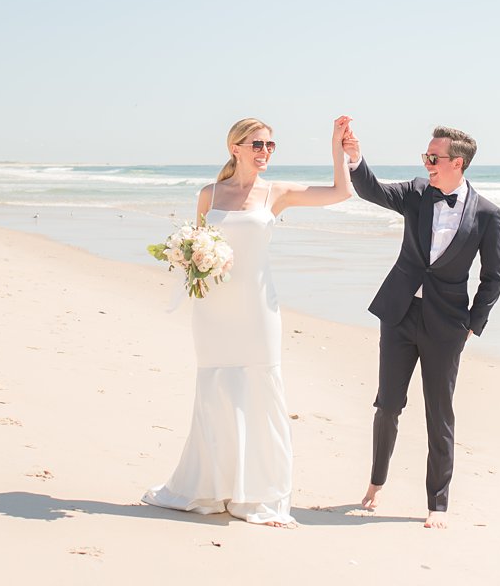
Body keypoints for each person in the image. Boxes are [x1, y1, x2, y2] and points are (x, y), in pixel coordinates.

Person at [143, 115, 354, 527]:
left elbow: (341, 192)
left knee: (260, 390)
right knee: (215, 391)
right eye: (257, 145)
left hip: (258, 310)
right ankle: (210, 488)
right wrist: (193, 258)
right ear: (235, 148)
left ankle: (259, 495)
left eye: (270, 146)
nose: (264, 153)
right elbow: (196, 247)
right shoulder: (209, 194)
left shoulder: (276, 193)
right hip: (213, 311)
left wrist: (337, 146)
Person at [341, 124, 500, 528]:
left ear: (457, 163)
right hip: (399, 314)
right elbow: (372, 190)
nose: (427, 164)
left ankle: (438, 504)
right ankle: (376, 483)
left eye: (434, 158)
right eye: (425, 157)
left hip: (446, 326)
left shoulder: (485, 213)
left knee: (440, 414)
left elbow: (493, 276)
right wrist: (355, 157)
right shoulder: (416, 193)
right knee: (389, 405)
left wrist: (472, 324)